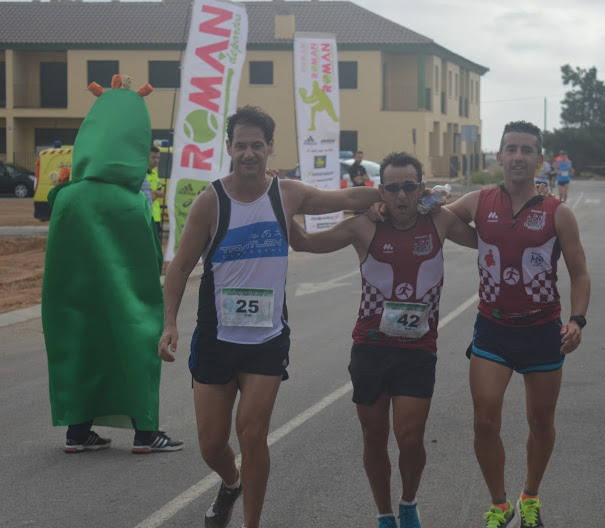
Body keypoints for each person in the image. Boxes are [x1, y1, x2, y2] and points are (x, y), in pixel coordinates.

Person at [157, 105, 382, 528]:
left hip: (266, 338)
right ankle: (229, 482)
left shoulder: (287, 194)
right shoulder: (211, 201)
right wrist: (170, 323)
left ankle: (251, 523)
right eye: (240, 145)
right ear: (229, 148)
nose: (248, 153)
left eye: (256, 145)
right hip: (216, 338)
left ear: (269, 148)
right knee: (211, 444)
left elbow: (349, 198)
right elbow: (179, 267)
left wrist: (396, 193)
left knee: (252, 432)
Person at [289, 152, 476, 528]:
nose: (402, 196)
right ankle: (384, 514)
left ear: (420, 188)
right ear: (382, 192)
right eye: (392, 189)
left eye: (410, 187)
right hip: (371, 348)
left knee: (409, 436)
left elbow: (491, 236)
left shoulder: (439, 221)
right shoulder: (363, 227)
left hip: (419, 348)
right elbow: (307, 244)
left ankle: (408, 501)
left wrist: (445, 198)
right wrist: (282, 209)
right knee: (374, 437)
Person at [446, 121, 590, 528]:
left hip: (543, 332)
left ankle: (529, 496)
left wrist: (577, 320)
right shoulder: (479, 202)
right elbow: (437, 221)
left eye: (527, 150)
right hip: (493, 329)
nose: (518, 157)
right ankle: (498, 504)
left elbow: (580, 274)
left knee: (541, 422)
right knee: (485, 420)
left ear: (540, 160)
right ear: (499, 157)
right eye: (511, 149)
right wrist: (390, 203)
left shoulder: (558, 213)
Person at [42, 74, 182, 455]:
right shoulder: (131, 201)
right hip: (124, 299)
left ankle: (77, 431)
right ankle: (145, 433)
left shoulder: (66, 198)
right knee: (135, 346)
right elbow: (148, 258)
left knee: (82, 348)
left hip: (72, 299)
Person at [146, 145, 164, 241]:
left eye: (158, 158)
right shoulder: (141, 174)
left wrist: (153, 193)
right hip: (145, 215)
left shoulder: (155, 174)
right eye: (153, 157)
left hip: (156, 216)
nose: (156, 160)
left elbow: (162, 193)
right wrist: (154, 193)